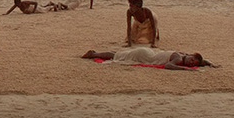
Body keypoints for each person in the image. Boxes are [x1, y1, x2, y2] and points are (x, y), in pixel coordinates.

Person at [82, 47, 214, 70]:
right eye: (192, 60)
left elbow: (202, 60)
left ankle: (95, 53)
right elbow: (169, 66)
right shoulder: (178, 59)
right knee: (118, 56)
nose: (191, 63)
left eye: (192, 64)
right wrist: (187, 70)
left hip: (148, 53)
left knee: (120, 54)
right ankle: (93, 54)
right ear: (191, 55)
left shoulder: (183, 54)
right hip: (145, 55)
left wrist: (209, 63)